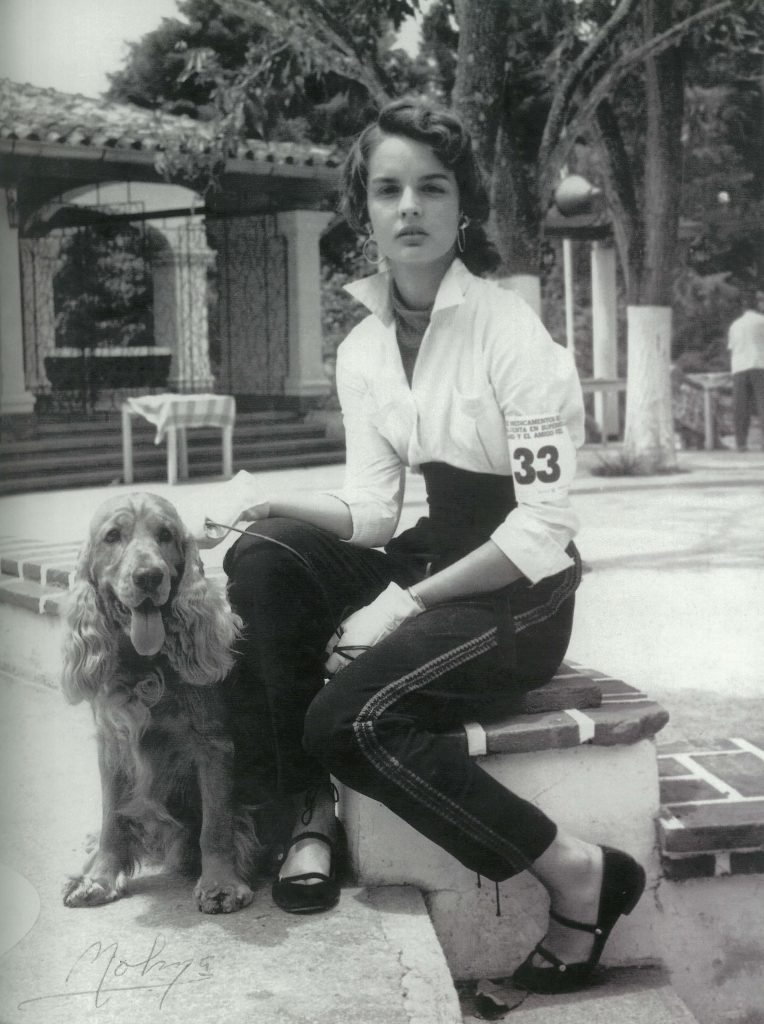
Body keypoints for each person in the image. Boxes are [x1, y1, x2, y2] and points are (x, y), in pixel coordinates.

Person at [197, 97, 645, 995]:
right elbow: (370, 510)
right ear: (364, 209)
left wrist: (403, 602)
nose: (410, 207)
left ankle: (577, 871)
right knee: (266, 558)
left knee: (354, 721)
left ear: (461, 209)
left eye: (430, 188)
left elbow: (542, 526)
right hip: (431, 552)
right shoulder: (363, 346)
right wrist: (263, 499)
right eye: (389, 189)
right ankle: (310, 818)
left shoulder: (513, 334)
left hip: (519, 588)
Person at [727, 291, 764, 451]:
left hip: (739, 367)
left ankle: (741, 443)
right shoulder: (761, 321)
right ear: (757, 304)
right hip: (759, 364)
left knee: (741, 406)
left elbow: (731, 347)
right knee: (762, 402)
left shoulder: (735, 324)